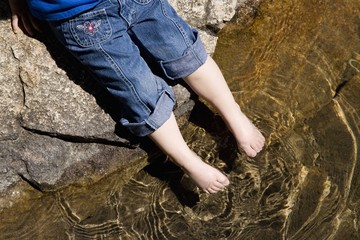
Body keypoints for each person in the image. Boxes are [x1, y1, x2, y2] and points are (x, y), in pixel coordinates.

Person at [9, 0, 265, 194]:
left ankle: (233, 114)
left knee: (172, 57)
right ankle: (190, 162)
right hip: (82, 16)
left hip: (83, 14)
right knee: (144, 84)